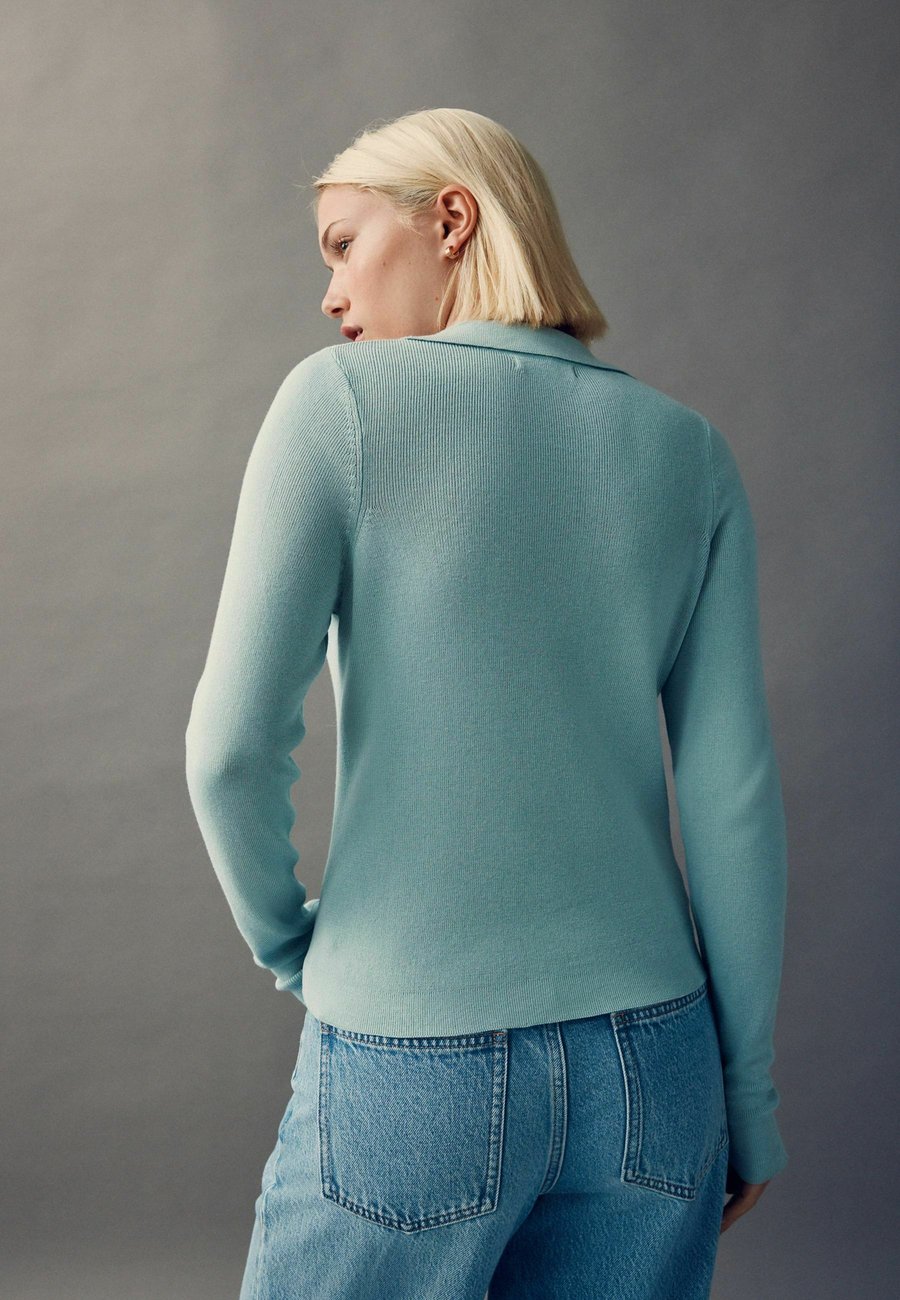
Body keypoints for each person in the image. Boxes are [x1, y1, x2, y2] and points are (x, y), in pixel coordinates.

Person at [184, 107, 790, 1299]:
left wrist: (293, 944)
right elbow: (733, 798)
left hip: (412, 1054)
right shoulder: (689, 451)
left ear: (451, 219)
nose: (330, 292)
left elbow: (229, 750)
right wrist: (747, 1093)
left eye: (344, 243)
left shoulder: (341, 403)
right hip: (656, 1069)